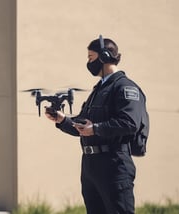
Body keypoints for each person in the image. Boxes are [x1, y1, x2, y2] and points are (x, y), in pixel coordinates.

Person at [45, 36, 146, 214]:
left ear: (104, 57)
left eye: (90, 57)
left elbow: (130, 123)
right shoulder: (98, 90)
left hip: (114, 165)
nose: (88, 62)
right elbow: (83, 125)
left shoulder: (125, 88)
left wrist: (96, 129)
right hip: (91, 167)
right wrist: (62, 119)